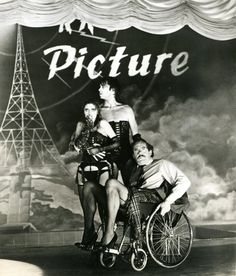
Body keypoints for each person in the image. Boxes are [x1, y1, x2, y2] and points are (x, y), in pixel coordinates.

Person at [102, 139, 191, 247]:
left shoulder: (161, 164)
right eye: (136, 150)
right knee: (91, 187)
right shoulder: (134, 171)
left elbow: (185, 182)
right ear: (133, 156)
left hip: (150, 204)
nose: (139, 152)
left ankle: (109, 233)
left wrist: (168, 202)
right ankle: (93, 235)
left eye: (143, 148)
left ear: (150, 152)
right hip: (134, 200)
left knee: (111, 183)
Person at [71, 101, 120, 248]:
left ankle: (108, 236)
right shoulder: (81, 125)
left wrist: (100, 149)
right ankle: (89, 235)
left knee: (104, 207)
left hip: (102, 168)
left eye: (92, 109)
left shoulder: (103, 124)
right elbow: (76, 148)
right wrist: (82, 134)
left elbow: (117, 143)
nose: (89, 112)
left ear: (97, 111)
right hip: (84, 169)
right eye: (86, 109)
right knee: (87, 209)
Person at [99, 77, 141, 183]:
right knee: (108, 188)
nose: (99, 89)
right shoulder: (98, 111)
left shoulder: (126, 109)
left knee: (131, 187)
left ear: (113, 90)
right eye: (99, 87)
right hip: (107, 157)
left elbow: (136, 135)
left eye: (103, 86)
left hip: (127, 155)